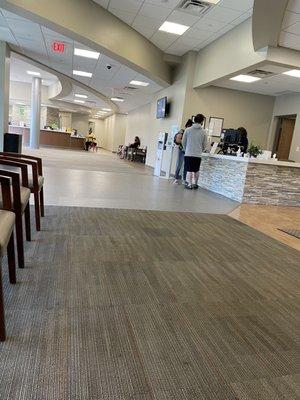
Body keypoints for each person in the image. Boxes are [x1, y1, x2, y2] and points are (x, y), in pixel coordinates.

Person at [182, 114, 207, 190]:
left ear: (194, 120)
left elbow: (183, 142)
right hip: (198, 154)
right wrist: (200, 149)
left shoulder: (187, 130)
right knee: (196, 170)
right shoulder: (203, 132)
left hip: (189, 153)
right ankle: (195, 184)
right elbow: (205, 144)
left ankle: (189, 184)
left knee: (189, 170)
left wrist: (186, 149)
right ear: (202, 121)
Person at [173, 119, 193, 184]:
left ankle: (184, 179)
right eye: (189, 126)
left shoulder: (191, 133)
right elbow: (178, 141)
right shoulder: (182, 132)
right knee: (179, 164)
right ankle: (176, 178)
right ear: (186, 126)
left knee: (185, 166)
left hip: (187, 151)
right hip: (182, 150)